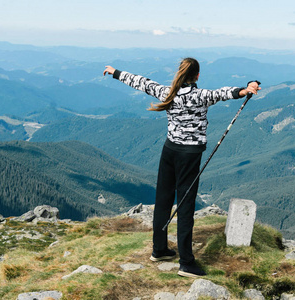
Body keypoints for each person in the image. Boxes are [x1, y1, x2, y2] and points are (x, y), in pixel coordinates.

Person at [103, 58, 260, 278]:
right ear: (197, 76)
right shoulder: (200, 96)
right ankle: (186, 262)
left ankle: (159, 250)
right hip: (190, 155)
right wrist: (247, 89)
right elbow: (225, 93)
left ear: (180, 73)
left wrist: (115, 72)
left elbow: (141, 82)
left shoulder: (167, 92)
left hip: (169, 151)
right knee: (185, 207)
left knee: (163, 200)